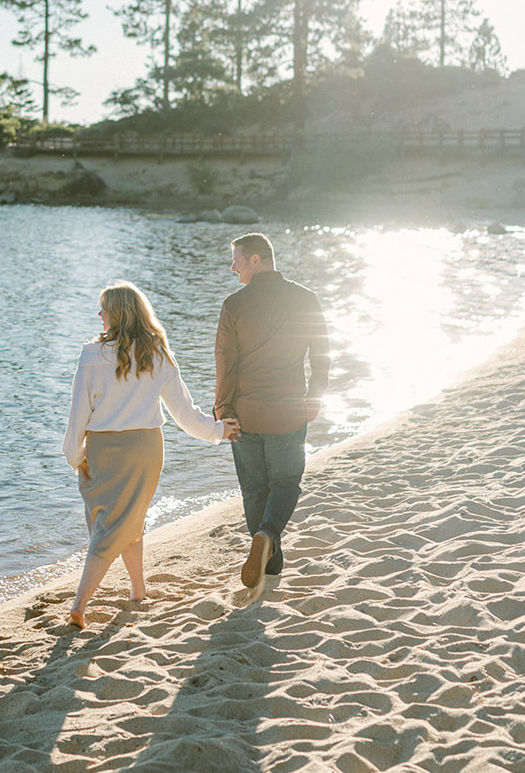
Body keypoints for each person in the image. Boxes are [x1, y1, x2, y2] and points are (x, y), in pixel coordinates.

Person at [63, 281, 239, 628]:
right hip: (144, 449)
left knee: (109, 524)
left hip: (102, 450)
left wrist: (74, 455)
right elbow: (184, 412)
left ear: (118, 314)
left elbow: (77, 414)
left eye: (104, 309)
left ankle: (80, 604)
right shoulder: (156, 351)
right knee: (127, 519)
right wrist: (217, 430)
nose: (100, 315)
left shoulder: (91, 354)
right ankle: (138, 591)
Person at [214, 233, 329, 588]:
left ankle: (266, 554)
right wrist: (315, 395)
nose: (233, 266)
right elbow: (321, 354)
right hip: (289, 410)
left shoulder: (234, 304)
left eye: (237, 259)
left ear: (256, 260)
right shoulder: (305, 298)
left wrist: (222, 407)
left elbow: (225, 363)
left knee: (253, 488)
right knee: (285, 484)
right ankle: (267, 539)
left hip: (245, 413)